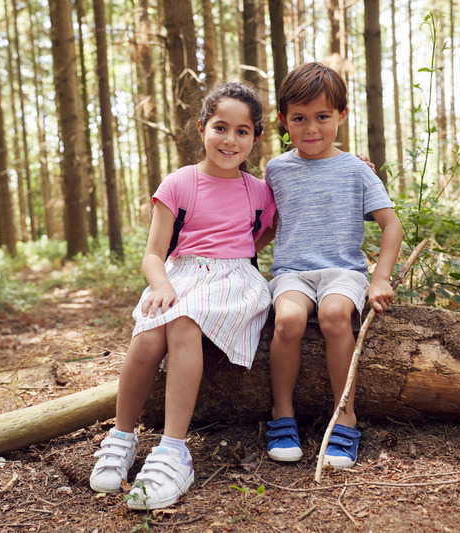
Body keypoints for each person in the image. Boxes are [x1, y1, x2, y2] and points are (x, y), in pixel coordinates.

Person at [89, 82, 276, 510]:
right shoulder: (179, 184)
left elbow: (263, 234)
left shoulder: (259, 191)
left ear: (256, 137)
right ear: (201, 127)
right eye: (220, 127)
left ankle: (174, 450)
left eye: (242, 131)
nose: (230, 140)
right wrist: (162, 285)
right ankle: (122, 436)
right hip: (179, 274)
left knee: (184, 320)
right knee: (149, 335)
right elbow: (153, 255)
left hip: (234, 280)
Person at [260, 62, 403, 469]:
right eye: (299, 119)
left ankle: (345, 416)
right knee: (287, 320)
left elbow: (391, 226)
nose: (311, 129)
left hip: (343, 271)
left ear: (341, 115)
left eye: (322, 117)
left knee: (335, 313)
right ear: (285, 121)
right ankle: (281, 414)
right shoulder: (277, 169)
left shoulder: (356, 170)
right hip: (292, 272)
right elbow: (269, 225)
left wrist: (380, 278)